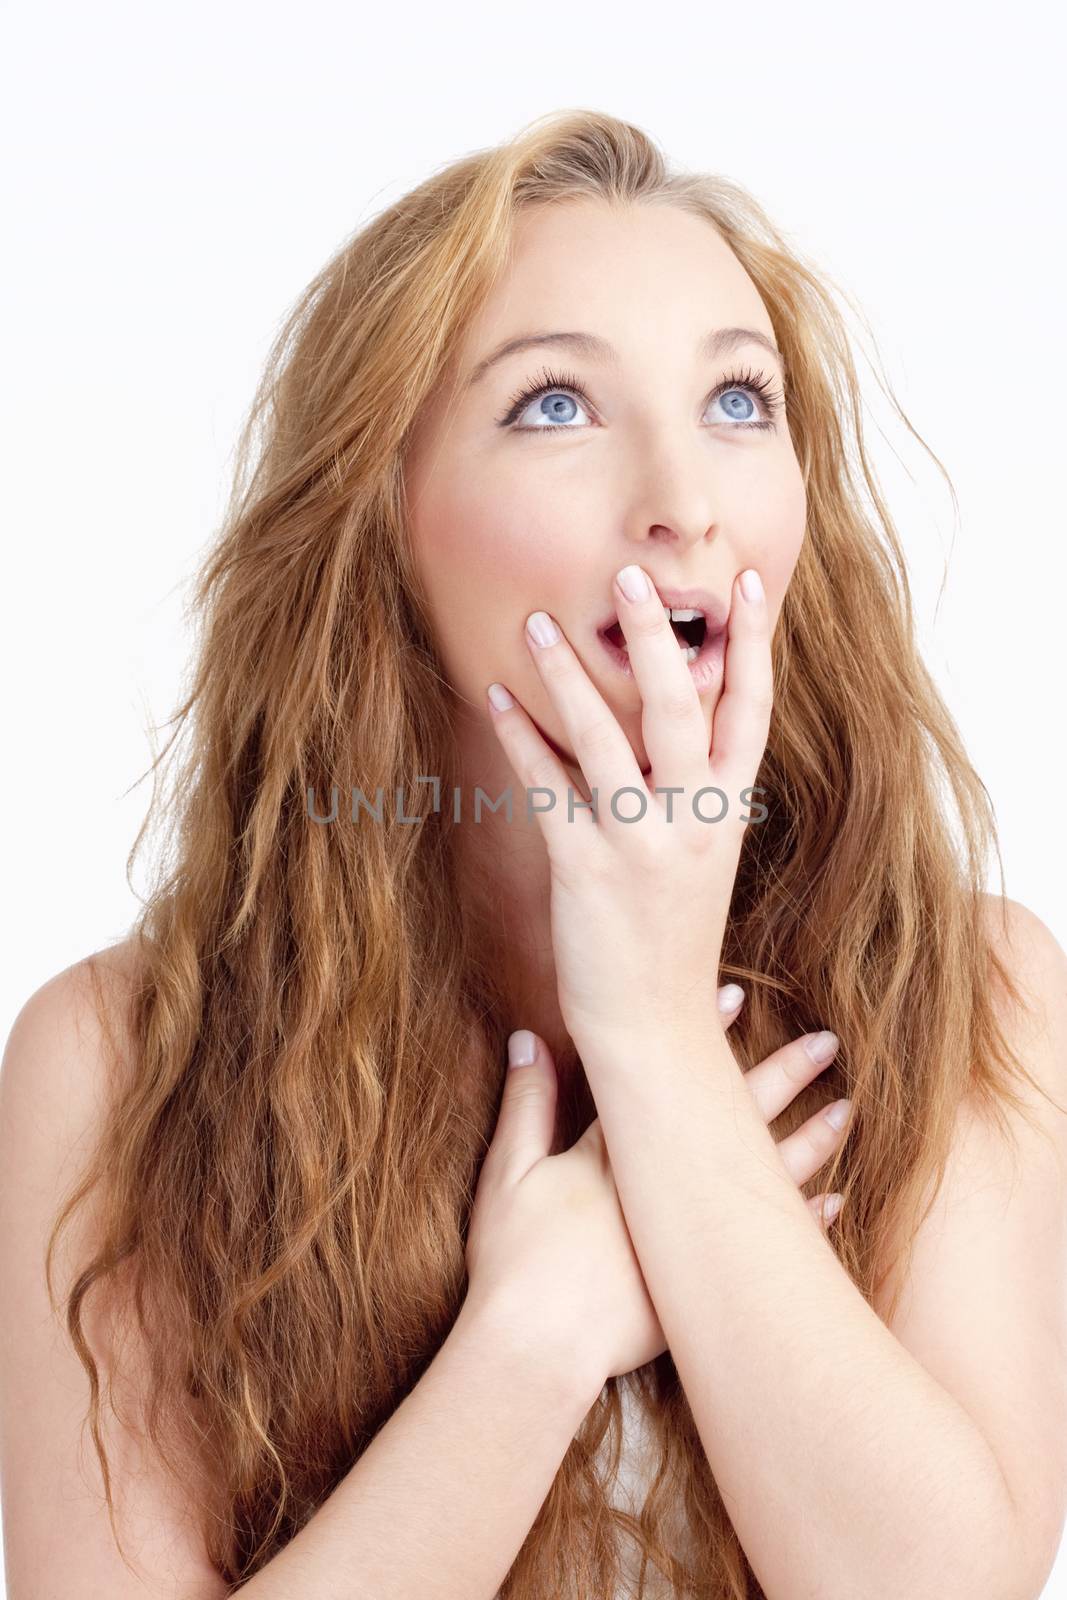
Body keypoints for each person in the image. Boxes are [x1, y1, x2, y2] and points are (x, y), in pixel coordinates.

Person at [2, 108, 1065, 1600]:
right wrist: (536, 1335)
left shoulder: (977, 991)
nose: (684, 502)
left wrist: (652, 1034)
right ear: (381, 518)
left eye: (739, 401)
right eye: (556, 405)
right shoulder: (114, 1063)